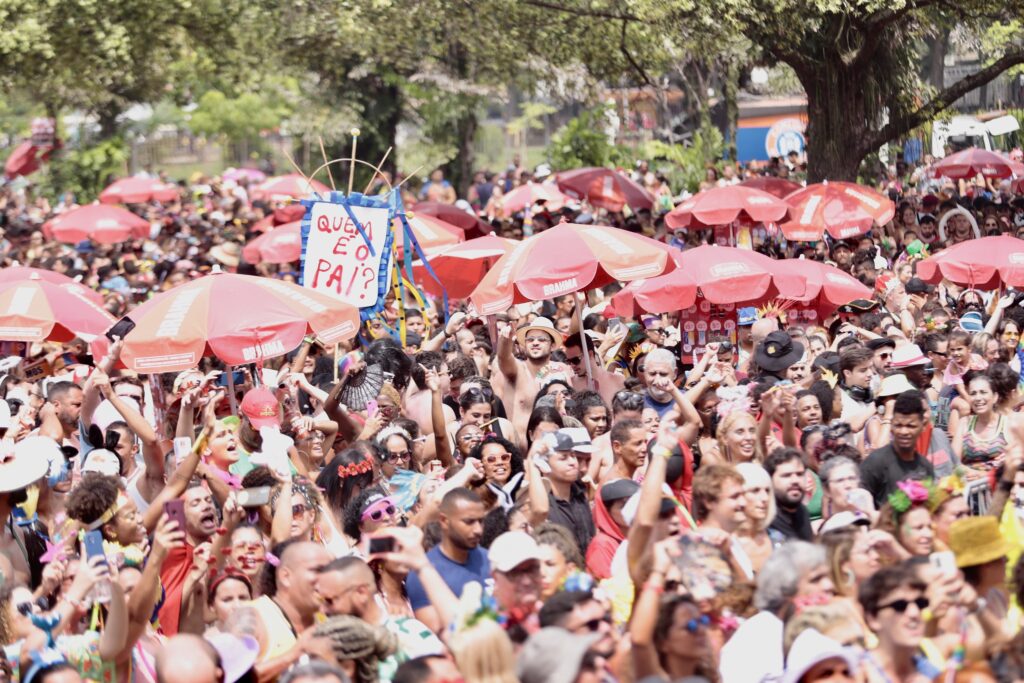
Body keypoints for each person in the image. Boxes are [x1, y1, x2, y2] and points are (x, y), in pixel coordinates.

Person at [404, 489, 488, 632]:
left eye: (481, 521)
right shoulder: (422, 576)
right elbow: (441, 635)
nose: (478, 529)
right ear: (444, 521)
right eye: (469, 522)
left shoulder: (489, 559)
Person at [860, 391, 934, 507]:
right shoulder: (875, 463)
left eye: (911, 426)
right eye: (898, 425)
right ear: (892, 425)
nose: (903, 432)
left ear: (923, 426)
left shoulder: (925, 467)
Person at [766, 448, 813, 542]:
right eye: (786, 475)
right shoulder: (766, 518)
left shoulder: (802, 511)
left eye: (799, 474)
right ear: (770, 480)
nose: (795, 481)